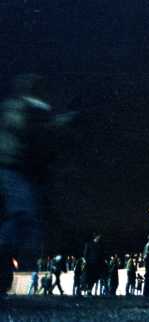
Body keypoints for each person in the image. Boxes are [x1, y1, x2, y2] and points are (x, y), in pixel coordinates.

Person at [0, 74, 76, 296]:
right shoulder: (29, 109)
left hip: (12, 167)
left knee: (21, 217)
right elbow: (39, 132)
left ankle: (6, 261)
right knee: (24, 218)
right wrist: (62, 121)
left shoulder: (11, 107)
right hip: (15, 168)